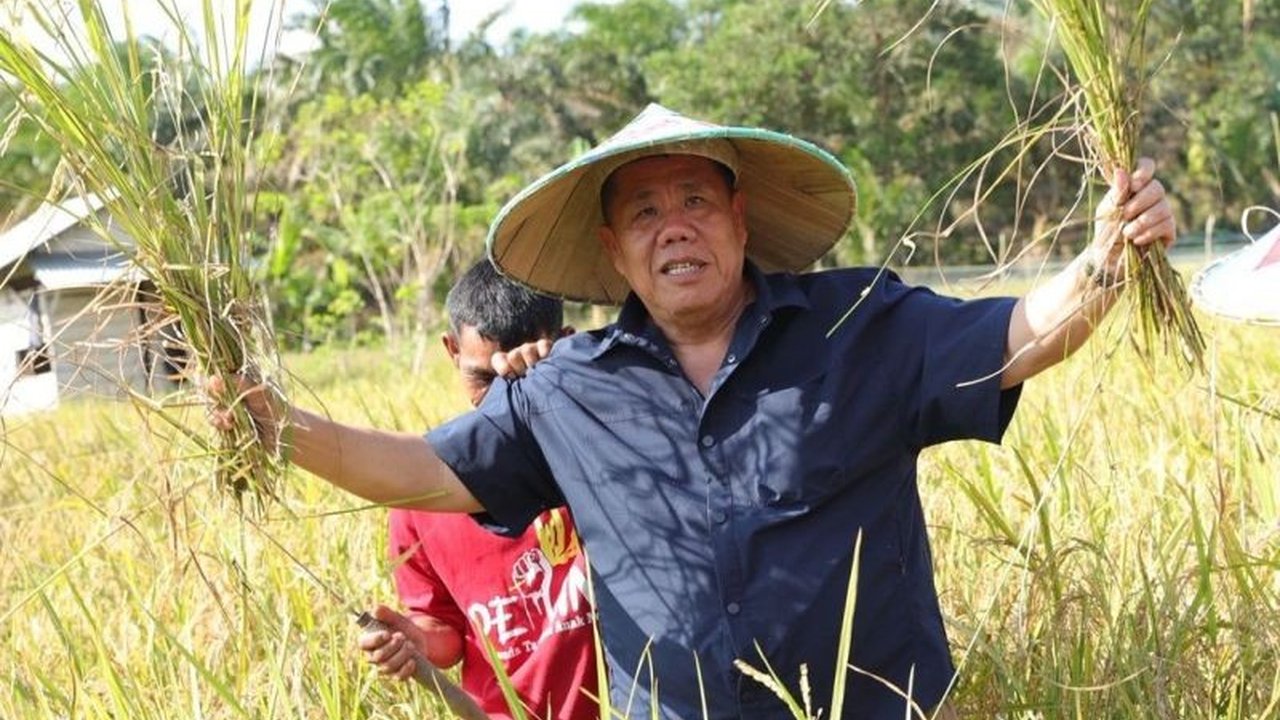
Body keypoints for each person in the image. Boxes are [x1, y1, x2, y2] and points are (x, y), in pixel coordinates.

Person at [231, 105, 1177, 719]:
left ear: (740, 220)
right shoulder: (566, 388)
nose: (673, 225)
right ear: (613, 249)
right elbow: (421, 471)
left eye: (695, 200)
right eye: (643, 212)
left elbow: (1020, 335)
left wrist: (1104, 258)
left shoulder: (861, 324)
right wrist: (275, 423)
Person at [356, 260, 596, 720]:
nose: (506, 404)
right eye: (484, 379)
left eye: (526, 377)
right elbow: (445, 629)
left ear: (564, 345)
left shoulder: (603, 450)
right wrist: (417, 639)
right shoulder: (427, 489)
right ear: (451, 351)